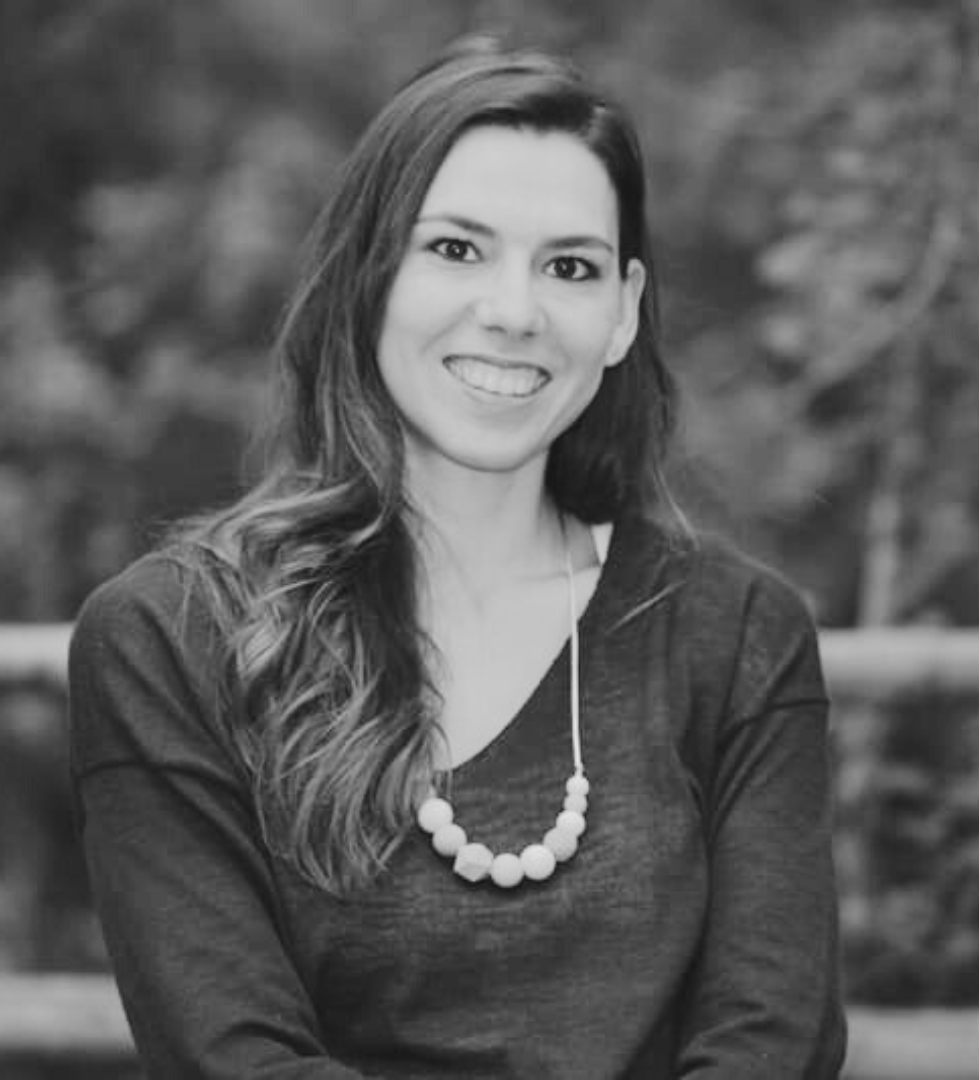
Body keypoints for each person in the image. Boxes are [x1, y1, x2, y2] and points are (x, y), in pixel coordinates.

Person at [68, 38, 847, 1079]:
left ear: (620, 312)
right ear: (368, 275)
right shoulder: (174, 639)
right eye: (457, 249)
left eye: (568, 267)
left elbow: (773, 1046)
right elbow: (234, 1062)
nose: (514, 312)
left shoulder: (739, 637)